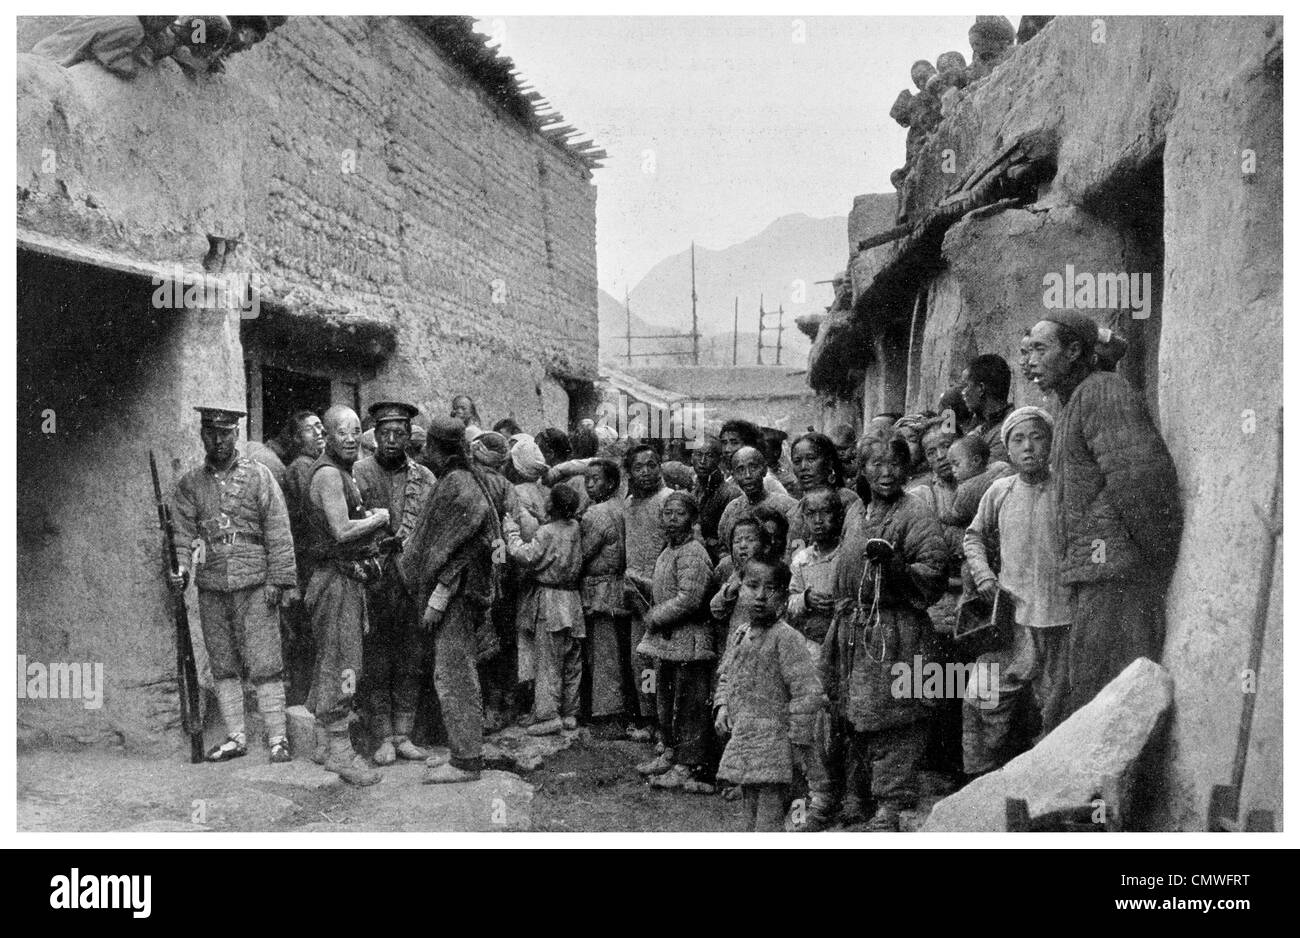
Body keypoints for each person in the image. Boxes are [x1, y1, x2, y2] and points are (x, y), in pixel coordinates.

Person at [1026, 312, 1182, 716]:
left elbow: (1141, 481)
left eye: (1041, 349)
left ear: (1075, 350)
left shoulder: (1103, 391)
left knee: (1110, 707)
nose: (1029, 362)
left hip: (1116, 578)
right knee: (1090, 701)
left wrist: (1155, 559)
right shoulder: (1075, 402)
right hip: (1097, 575)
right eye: (1027, 351)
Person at [822, 435, 947, 831]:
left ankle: (891, 804)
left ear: (907, 469)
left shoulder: (915, 511)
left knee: (898, 715)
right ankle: (859, 794)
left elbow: (933, 573)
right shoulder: (858, 510)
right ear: (862, 471)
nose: (885, 472)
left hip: (897, 631)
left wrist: (894, 566)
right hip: (855, 629)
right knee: (854, 714)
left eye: (894, 463)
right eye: (875, 464)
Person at [169, 407, 298, 764]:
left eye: (225, 433)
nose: (218, 440)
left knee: (265, 661)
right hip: (211, 582)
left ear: (236, 434)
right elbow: (182, 535)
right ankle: (236, 736)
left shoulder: (259, 477)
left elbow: (278, 530)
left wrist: (278, 579)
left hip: (256, 582)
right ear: (202, 435)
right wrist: (180, 568)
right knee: (223, 662)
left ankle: (278, 738)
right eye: (211, 433)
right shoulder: (191, 484)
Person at [962, 407, 1072, 775]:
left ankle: (1044, 786)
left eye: (1037, 437)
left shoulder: (1068, 489)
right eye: (1018, 439)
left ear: (1051, 442)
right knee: (983, 697)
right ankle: (981, 778)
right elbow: (973, 537)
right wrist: (985, 578)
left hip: (1060, 616)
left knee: (1056, 706)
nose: (1028, 447)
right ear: (1007, 449)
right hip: (1010, 617)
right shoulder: (999, 491)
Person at [402, 417, 495, 784]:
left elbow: (467, 548)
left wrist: (439, 594)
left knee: (455, 674)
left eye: (429, 447)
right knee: (453, 671)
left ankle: (467, 760)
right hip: (456, 591)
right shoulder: (460, 480)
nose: (425, 453)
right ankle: (462, 752)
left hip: (457, 593)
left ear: (440, 449)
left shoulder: (460, 485)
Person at [302, 405, 390, 785]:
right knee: (343, 663)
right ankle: (341, 752)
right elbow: (340, 530)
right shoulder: (328, 475)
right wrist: (379, 519)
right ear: (329, 437)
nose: (352, 438)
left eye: (357, 431)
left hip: (341, 580)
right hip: (334, 582)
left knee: (333, 658)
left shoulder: (341, 473)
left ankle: (324, 744)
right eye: (343, 432)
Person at [352, 401, 437, 765]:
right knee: (376, 661)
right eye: (384, 433)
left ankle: (404, 734)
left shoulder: (425, 478)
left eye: (398, 433)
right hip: (373, 580)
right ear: (374, 435)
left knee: (411, 658)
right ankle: (383, 737)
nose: (391, 440)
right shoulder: (358, 472)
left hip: (411, 582)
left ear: (407, 436)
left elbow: (432, 529)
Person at [714, 557, 826, 832]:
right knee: (749, 813)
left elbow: (806, 692)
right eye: (752, 586)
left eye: (771, 589)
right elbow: (727, 674)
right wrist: (723, 706)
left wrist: (798, 743)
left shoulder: (786, 638)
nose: (761, 596)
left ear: (784, 596)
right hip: (748, 740)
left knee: (772, 818)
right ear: (739, 589)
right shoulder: (741, 633)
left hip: (777, 746)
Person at [633, 491, 717, 792]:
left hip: (690, 642)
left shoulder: (693, 552)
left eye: (679, 513)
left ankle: (687, 763)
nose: (672, 519)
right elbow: (667, 588)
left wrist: (655, 616)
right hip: (669, 642)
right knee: (665, 699)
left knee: (689, 704)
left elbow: (689, 599)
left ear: (692, 519)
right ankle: (670, 752)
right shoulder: (669, 551)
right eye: (667, 513)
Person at [505, 484, 586, 736]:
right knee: (571, 659)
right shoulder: (574, 528)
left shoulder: (545, 532)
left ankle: (548, 715)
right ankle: (570, 712)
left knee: (547, 661)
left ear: (552, 505)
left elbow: (525, 556)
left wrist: (511, 532)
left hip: (550, 601)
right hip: (572, 600)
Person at [786, 486, 845, 830]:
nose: (820, 521)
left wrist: (837, 604)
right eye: (812, 515)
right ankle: (817, 795)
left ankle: (839, 795)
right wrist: (805, 599)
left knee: (838, 723)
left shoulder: (845, 556)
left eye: (827, 514)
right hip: (812, 647)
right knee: (811, 721)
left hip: (842, 648)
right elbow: (791, 602)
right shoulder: (802, 560)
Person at [469, 428, 524, 731]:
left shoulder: (471, 479)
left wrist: (494, 568)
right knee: (498, 644)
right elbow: (509, 530)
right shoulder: (505, 485)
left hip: (477, 573)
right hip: (495, 573)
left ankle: (487, 708)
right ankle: (499, 705)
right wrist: (499, 568)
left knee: (482, 644)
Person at [621, 443, 672, 741]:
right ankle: (648, 717)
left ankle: (665, 725)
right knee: (641, 662)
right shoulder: (629, 505)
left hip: (662, 593)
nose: (646, 472)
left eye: (651, 465)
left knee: (661, 662)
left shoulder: (668, 500)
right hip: (635, 595)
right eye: (638, 467)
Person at [580, 458, 631, 724]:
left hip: (600, 587)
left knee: (602, 652)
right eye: (586, 479)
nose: (589, 484)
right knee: (615, 650)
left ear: (611, 483)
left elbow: (582, 554)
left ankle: (606, 711)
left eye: (595, 479)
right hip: (618, 585)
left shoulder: (595, 514)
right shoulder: (622, 506)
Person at [786, 432, 859, 552]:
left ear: (829, 462)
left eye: (811, 459)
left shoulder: (847, 501)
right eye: (797, 461)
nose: (803, 467)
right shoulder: (796, 511)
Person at [717, 445, 799, 553]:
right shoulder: (732, 509)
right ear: (734, 476)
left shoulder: (787, 506)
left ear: (764, 470)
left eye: (753, 467)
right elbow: (724, 548)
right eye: (740, 470)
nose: (748, 475)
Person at [691, 435, 741, 563]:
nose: (702, 461)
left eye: (709, 455)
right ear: (691, 457)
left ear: (719, 460)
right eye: (698, 454)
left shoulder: (730, 494)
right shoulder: (693, 489)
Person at [960, 354, 1014, 462]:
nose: (963, 392)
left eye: (966, 386)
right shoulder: (981, 424)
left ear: (981, 388)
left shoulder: (1006, 432)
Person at [720, 418, 788, 497]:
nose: (727, 449)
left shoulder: (766, 481)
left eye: (734, 443)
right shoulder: (730, 482)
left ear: (750, 445)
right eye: (724, 443)